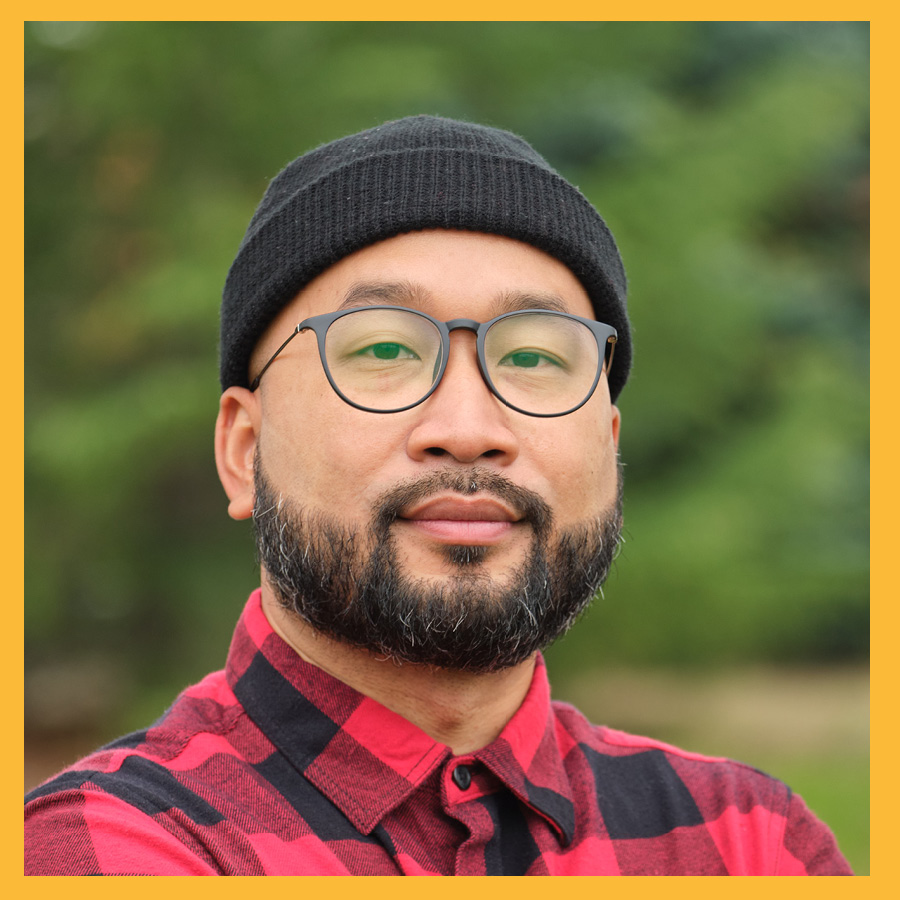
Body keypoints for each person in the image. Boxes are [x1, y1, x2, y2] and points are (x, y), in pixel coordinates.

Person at [24, 115, 851, 876]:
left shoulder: (748, 841)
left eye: (534, 358)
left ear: (608, 450)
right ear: (245, 452)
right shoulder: (114, 846)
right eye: (383, 347)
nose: (467, 427)